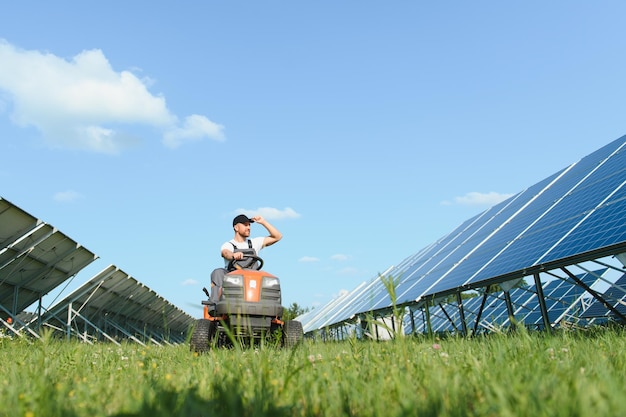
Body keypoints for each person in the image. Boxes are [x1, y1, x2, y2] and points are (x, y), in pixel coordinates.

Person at [209, 214, 282, 305]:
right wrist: (233, 255)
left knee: (268, 278)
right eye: (245, 225)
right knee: (218, 272)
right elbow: (225, 253)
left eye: (249, 225)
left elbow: (277, 236)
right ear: (236, 227)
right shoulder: (229, 245)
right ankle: (216, 305)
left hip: (252, 279)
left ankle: (270, 305)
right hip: (234, 280)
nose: (248, 227)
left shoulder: (254, 243)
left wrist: (263, 222)